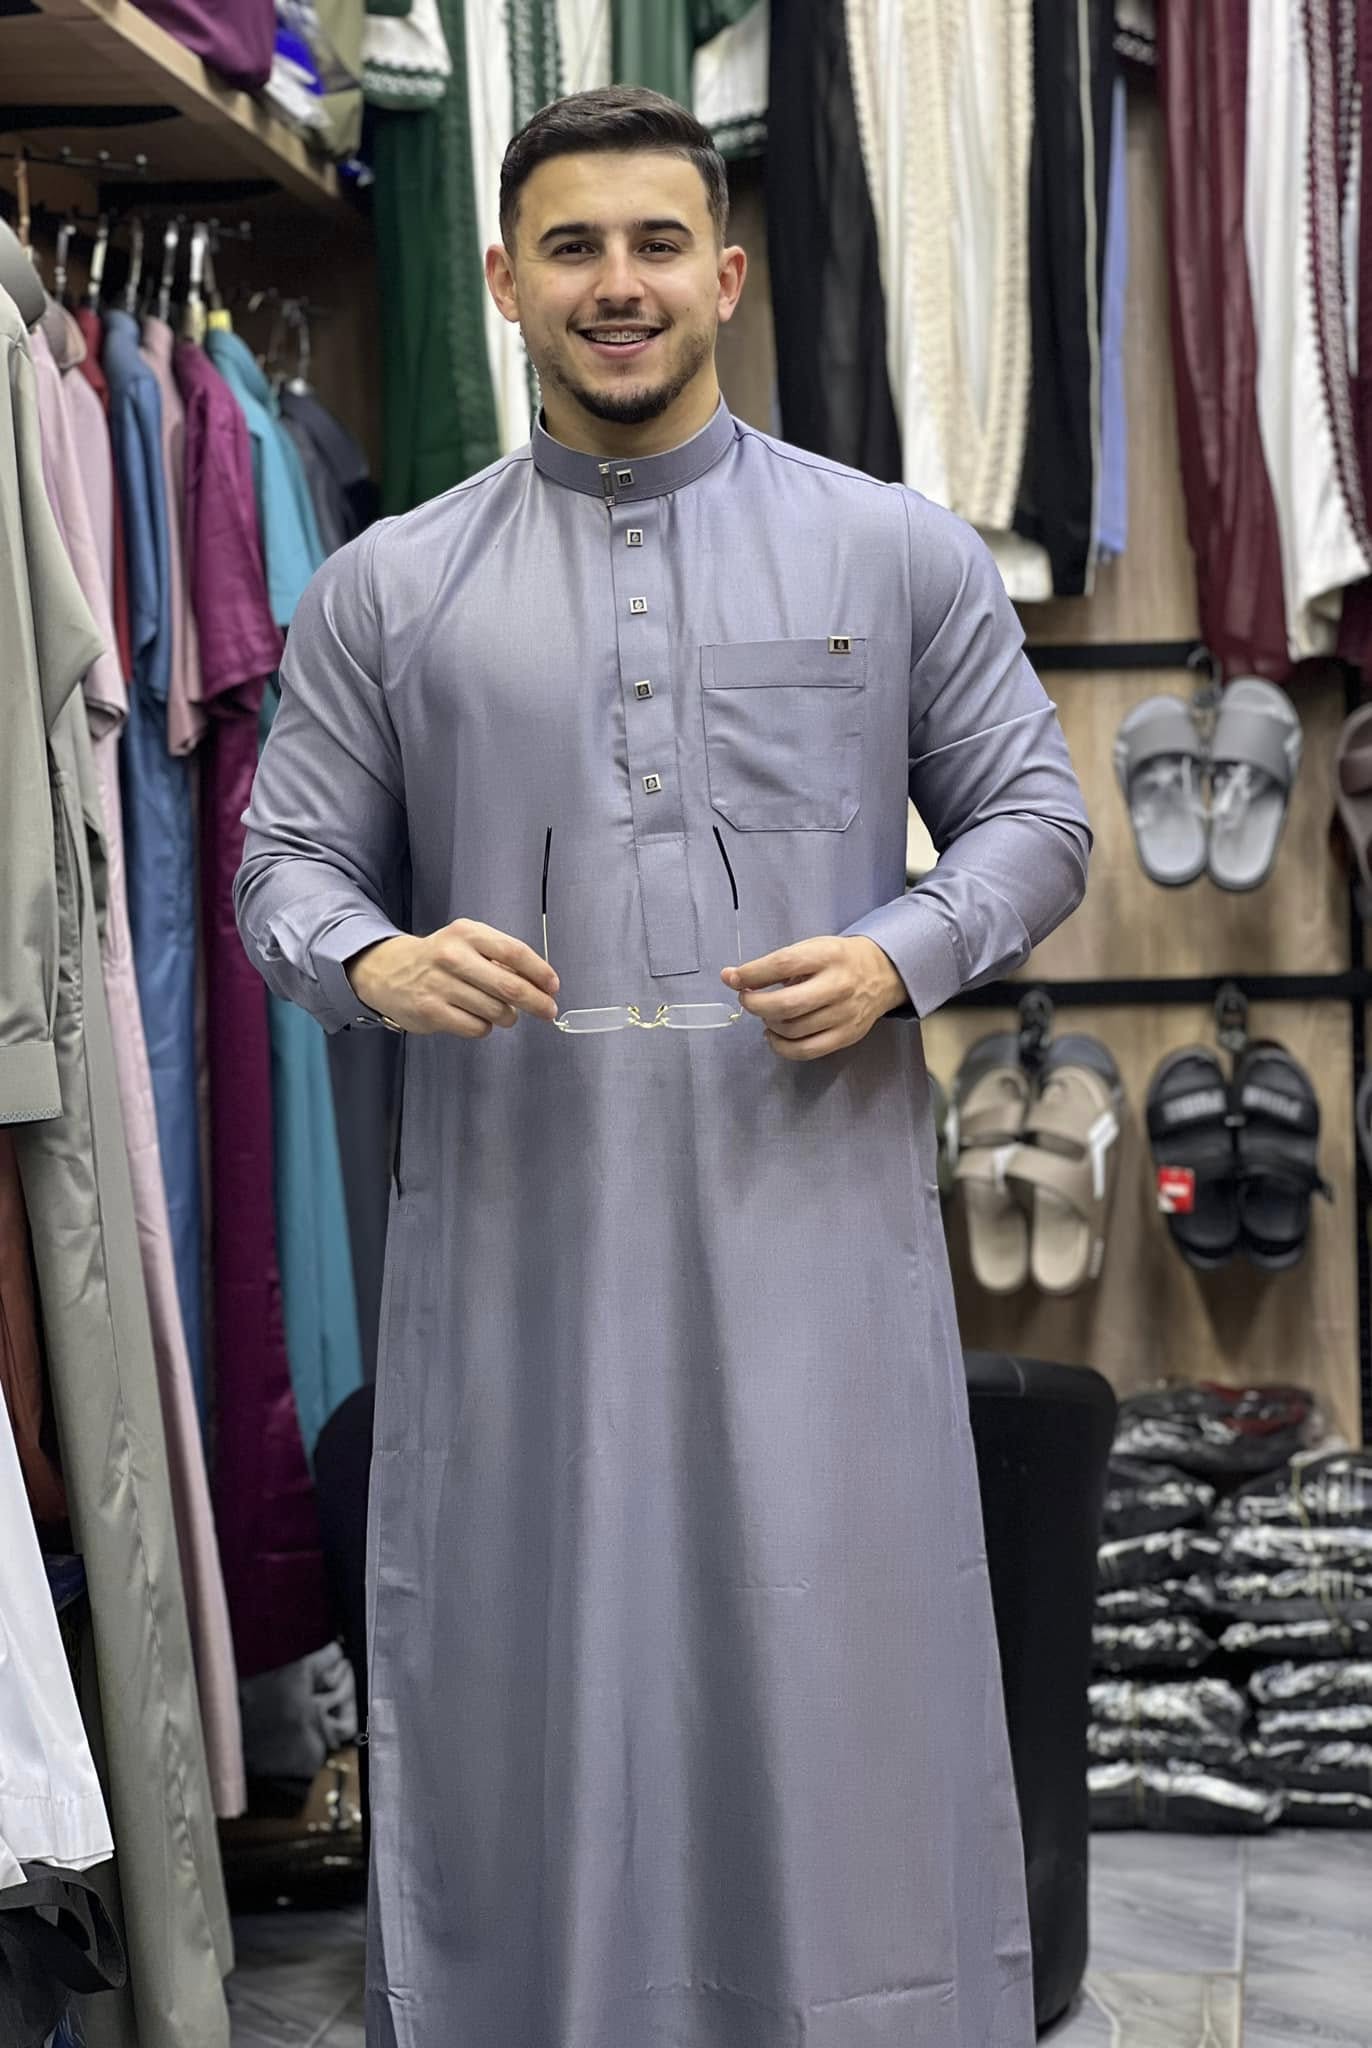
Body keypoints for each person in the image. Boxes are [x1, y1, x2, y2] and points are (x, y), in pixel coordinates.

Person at [236, 85, 1091, 2048]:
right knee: (527, 1679)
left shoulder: (891, 554)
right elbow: (282, 871)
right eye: (570, 248)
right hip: (515, 1273)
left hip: (814, 1265)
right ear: (502, 281)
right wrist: (379, 957)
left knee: (838, 1674)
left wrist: (898, 953)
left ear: (725, 274)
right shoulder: (392, 589)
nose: (613, 285)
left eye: (651, 245)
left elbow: (1036, 822)